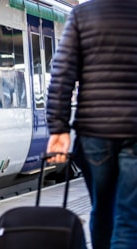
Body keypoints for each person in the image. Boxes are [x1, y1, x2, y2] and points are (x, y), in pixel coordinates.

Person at [45, 1, 137, 249]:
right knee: (129, 217)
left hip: (95, 132)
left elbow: (62, 74)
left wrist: (59, 128)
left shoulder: (82, 15)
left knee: (102, 209)